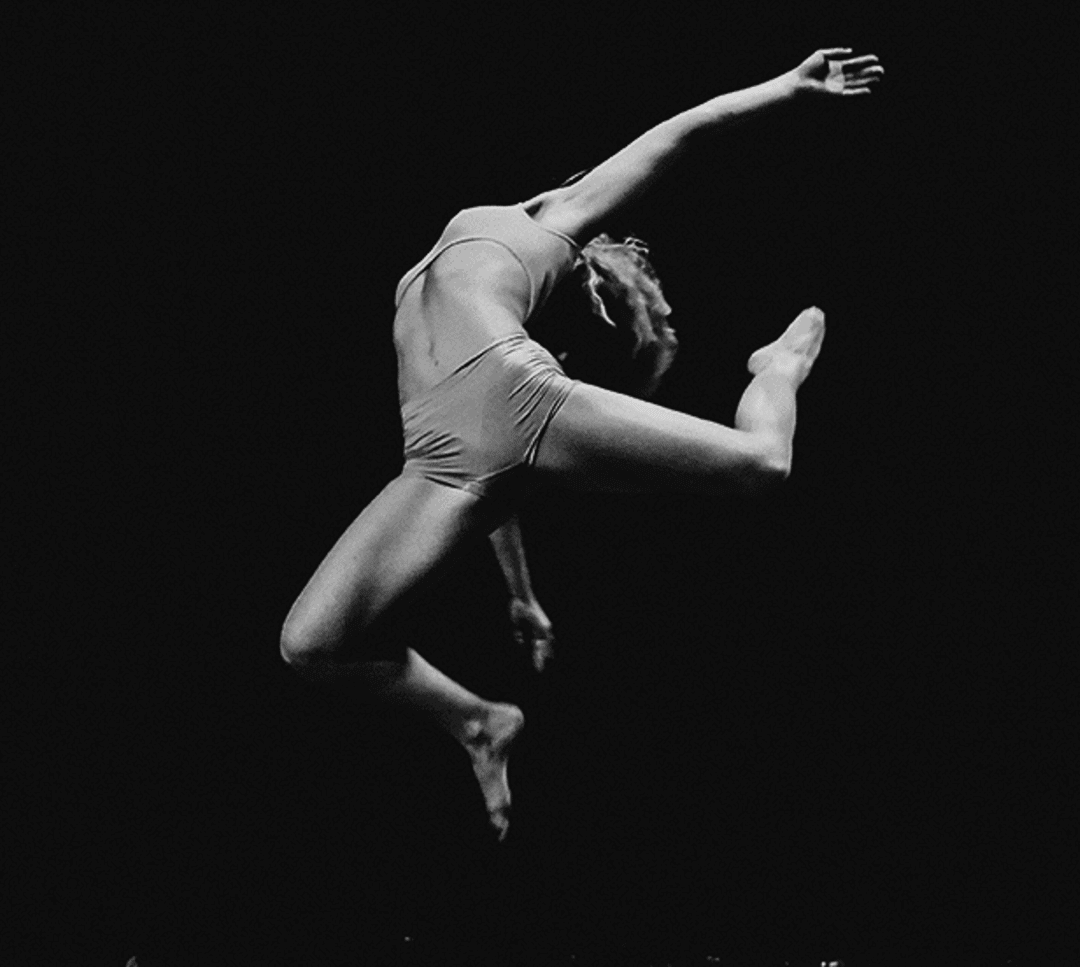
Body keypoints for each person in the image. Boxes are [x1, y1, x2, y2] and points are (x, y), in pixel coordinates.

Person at [280, 47, 884, 840]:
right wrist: (521, 596)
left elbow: (675, 139)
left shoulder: (528, 240)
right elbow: (679, 134)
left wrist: (783, 90)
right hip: (439, 451)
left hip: (504, 400)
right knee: (311, 644)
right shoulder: (527, 231)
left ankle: (775, 371)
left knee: (763, 463)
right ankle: (479, 722)